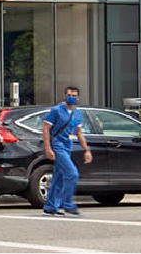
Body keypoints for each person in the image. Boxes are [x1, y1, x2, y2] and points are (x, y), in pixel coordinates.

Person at [40, 85, 92, 216]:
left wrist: (86, 150)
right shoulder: (56, 110)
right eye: (70, 95)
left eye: (74, 96)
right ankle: (67, 204)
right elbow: (46, 129)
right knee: (72, 173)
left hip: (68, 146)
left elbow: (79, 133)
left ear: (78, 97)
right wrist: (48, 148)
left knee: (59, 177)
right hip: (58, 146)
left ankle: (51, 206)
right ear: (65, 96)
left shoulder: (77, 113)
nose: (72, 97)